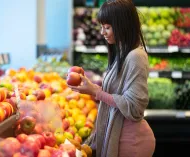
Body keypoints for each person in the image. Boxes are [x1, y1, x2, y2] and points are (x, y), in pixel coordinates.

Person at [68, 0, 156, 157]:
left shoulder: (136, 56)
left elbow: (134, 107)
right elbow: (118, 95)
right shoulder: (122, 53)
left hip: (132, 143)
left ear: (123, 25)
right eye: (102, 27)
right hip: (121, 138)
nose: (102, 32)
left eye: (107, 27)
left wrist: (96, 92)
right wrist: (92, 89)